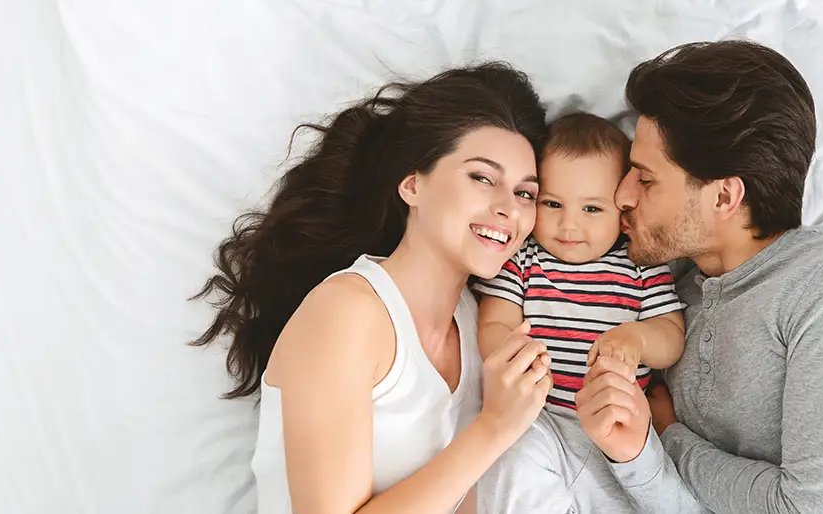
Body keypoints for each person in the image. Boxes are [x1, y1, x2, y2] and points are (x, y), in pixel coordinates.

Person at [574, 41, 823, 512]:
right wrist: (638, 450)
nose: (622, 196)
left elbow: (809, 509)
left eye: (645, 178)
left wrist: (668, 436)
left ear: (723, 198)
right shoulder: (674, 303)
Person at [189, 64, 560, 514]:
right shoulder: (348, 313)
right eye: (482, 178)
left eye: (526, 194)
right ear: (412, 184)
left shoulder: (477, 320)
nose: (508, 209)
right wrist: (495, 428)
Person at [468, 113, 688, 513]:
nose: (568, 225)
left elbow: (671, 337)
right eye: (552, 204)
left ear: (622, 212)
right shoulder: (523, 257)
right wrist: (516, 354)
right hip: (538, 418)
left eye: (591, 209)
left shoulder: (639, 263)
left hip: (612, 428)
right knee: (513, 475)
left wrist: (636, 338)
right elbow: (495, 322)